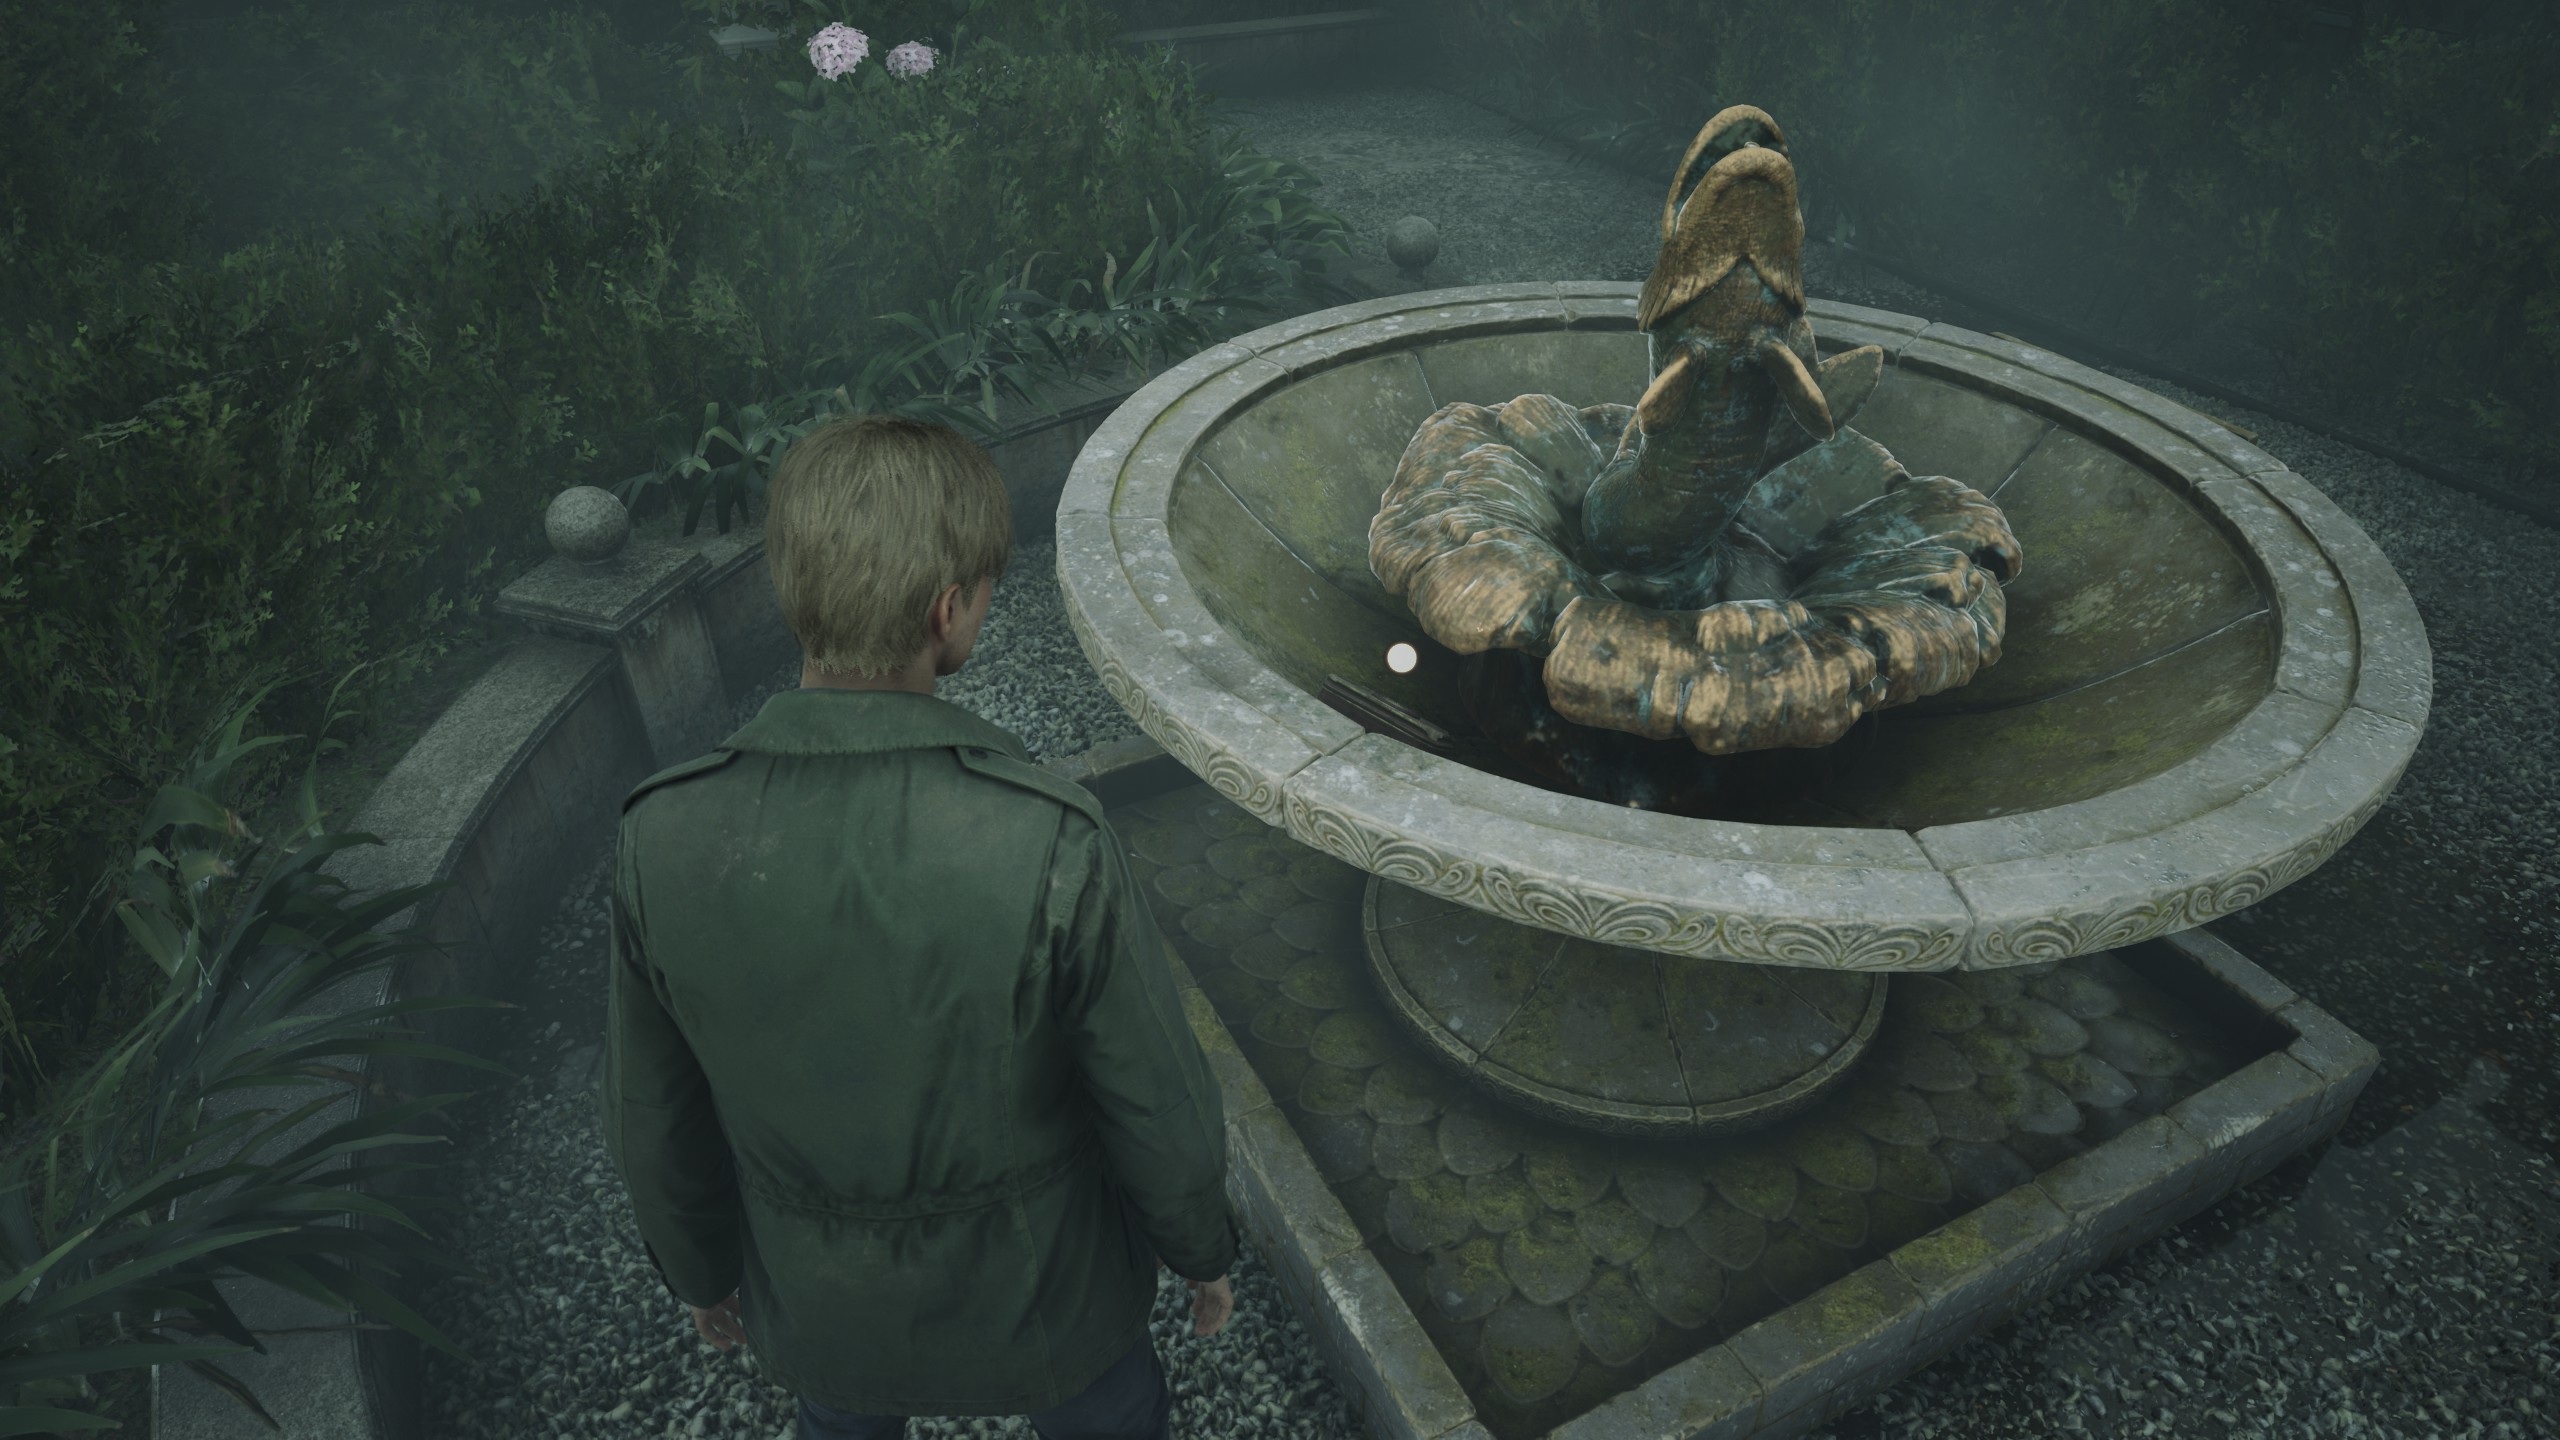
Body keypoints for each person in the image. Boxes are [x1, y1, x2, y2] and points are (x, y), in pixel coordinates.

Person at [600, 413, 1238, 1440]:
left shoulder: (660, 836)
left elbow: (654, 1115)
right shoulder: (1048, 835)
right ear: (948, 609)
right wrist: (1200, 1249)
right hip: (1050, 1306)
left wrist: (700, 1272)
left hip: (825, 1314)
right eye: (984, 589)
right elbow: (1152, 1093)